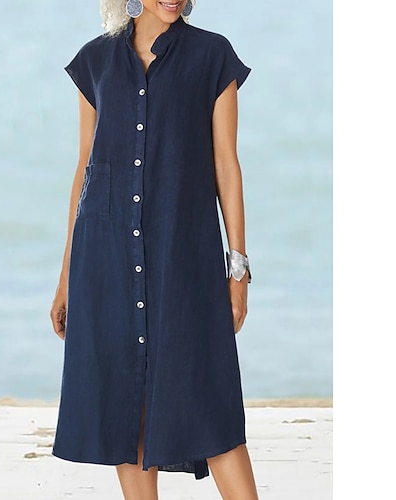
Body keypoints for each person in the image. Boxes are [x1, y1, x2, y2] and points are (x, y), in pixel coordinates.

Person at [50, 0, 258, 498]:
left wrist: (238, 269)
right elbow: (86, 169)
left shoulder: (213, 56)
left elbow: (226, 165)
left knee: (211, 403)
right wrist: (65, 279)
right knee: (127, 407)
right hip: (107, 258)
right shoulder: (95, 60)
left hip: (184, 260)